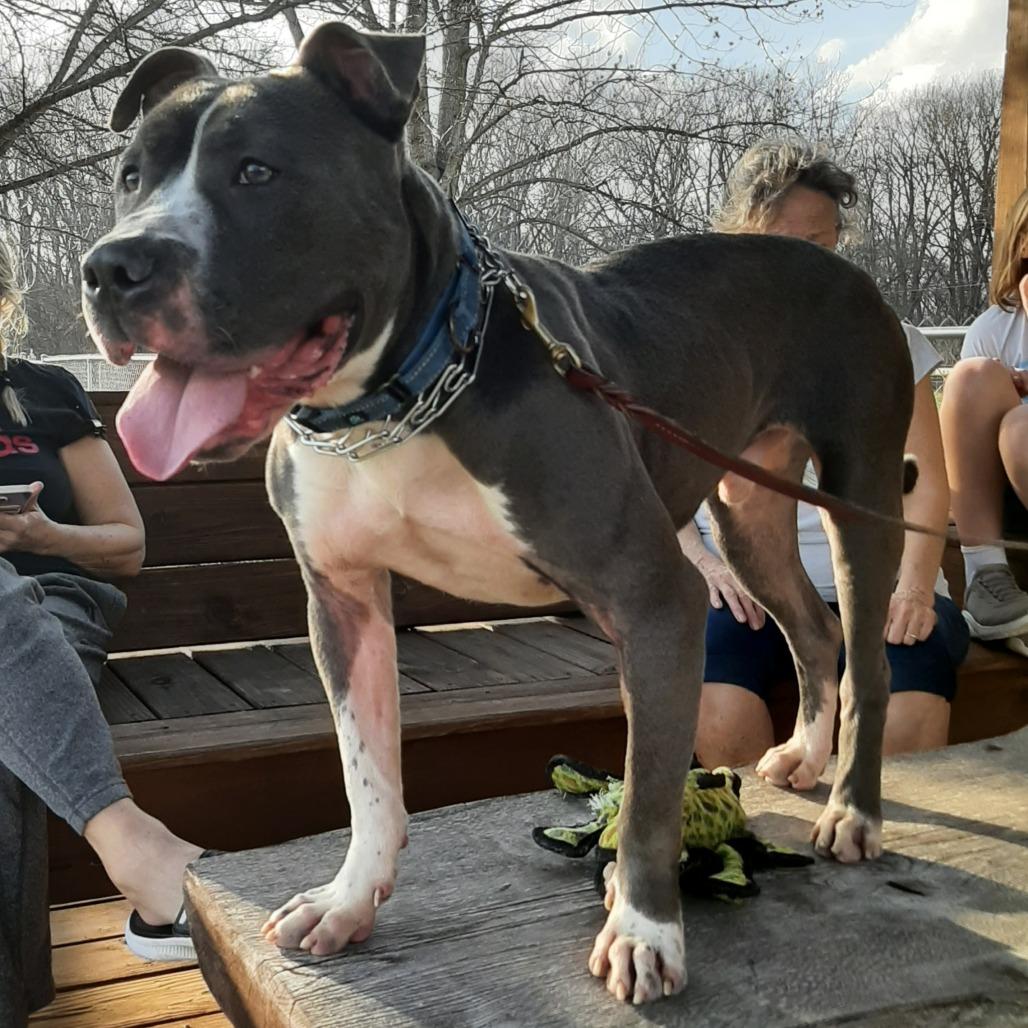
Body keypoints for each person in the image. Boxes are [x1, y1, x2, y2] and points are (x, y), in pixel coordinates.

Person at [677, 139, 970, 770]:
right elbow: (661, 479)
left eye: (821, 245)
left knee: (908, 710)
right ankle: (777, 856)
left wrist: (917, 589)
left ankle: (882, 859)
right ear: (741, 241)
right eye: (783, 246)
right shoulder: (704, 347)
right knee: (717, 704)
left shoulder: (891, 340)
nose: (804, 266)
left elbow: (925, 484)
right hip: (745, 590)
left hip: (882, 583)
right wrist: (703, 563)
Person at [0, 238, 204, 1026]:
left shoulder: (42, 394)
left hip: (54, 607)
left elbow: (127, 545)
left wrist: (43, 538)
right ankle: (136, 849)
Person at [939, 186, 1028, 647]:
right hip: (1007, 493)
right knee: (972, 376)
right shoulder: (997, 326)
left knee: (1020, 429)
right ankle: (987, 575)